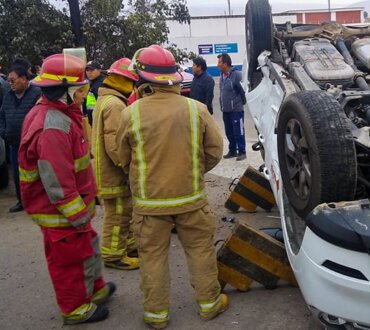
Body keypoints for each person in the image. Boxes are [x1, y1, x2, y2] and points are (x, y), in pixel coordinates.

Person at [117, 45, 227, 329]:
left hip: (149, 205)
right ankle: (210, 305)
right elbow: (215, 151)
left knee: (152, 257)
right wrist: (193, 171)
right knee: (201, 251)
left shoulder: (132, 114)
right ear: (174, 77)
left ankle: (156, 316)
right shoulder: (196, 109)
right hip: (191, 199)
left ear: (143, 78)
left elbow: (122, 156)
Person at [19, 53, 115, 325]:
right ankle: (75, 309)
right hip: (60, 211)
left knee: (87, 247)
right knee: (69, 260)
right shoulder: (52, 126)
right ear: (65, 91)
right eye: (80, 89)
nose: (85, 93)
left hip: (71, 207)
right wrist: (77, 214)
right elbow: (58, 183)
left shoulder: (58, 114)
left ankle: (94, 291)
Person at [91, 58, 140, 270]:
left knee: (124, 210)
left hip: (106, 169)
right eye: (130, 81)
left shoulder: (106, 100)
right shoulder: (115, 104)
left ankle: (128, 246)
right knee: (118, 213)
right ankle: (113, 255)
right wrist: (127, 166)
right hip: (114, 172)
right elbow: (115, 144)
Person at [0, 62, 41, 212]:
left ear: (24, 79)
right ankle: (21, 201)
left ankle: (38, 201)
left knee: (35, 174)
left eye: (13, 80)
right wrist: (3, 132)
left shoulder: (37, 93)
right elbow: (2, 115)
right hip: (14, 143)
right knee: (18, 176)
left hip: (32, 144)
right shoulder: (8, 95)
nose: (10, 84)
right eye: (9, 81)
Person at [217, 53, 247, 161]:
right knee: (229, 132)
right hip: (226, 110)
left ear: (225, 64)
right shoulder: (222, 76)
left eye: (219, 62)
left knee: (238, 131)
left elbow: (243, 91)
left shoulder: (237, 75)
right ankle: (232, 150)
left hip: (236, 110)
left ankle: (242, 151)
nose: (217, 65)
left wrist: (240, 104)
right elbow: (221, 92)